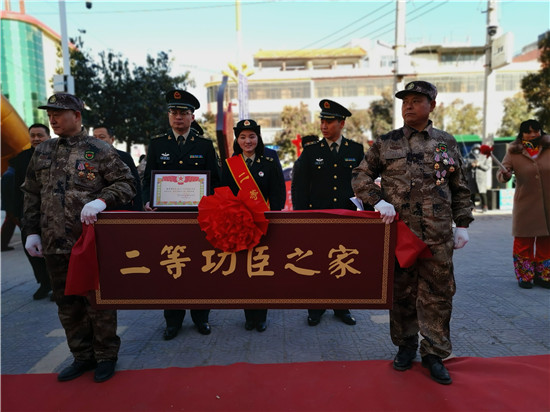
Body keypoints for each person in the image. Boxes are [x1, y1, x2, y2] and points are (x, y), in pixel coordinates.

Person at [351, 81, 473, 385]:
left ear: (432, 105)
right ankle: (405, 346)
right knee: (401, 293)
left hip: (437, 236)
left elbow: (459, 186)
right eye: (405, 101)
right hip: (400, 235)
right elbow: (360, 175)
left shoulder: (445, 142)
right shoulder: (386, 142)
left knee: (438, 295)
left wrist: (463, 224)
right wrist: (377, 200)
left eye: (417, 100)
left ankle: (434, 353)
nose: (408, 105)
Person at [21, 93, 136, 383]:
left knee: (97, 303)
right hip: (53, 241)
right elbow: (31, 193)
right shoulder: (43, 150)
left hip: (88, 243)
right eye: (50, 114)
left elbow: (126, 183)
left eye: (59, 114)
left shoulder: (98, 149)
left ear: (77, 115)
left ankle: (106, 356)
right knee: (67, 304)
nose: (53, 119)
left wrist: (102, 201)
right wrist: (31, 231)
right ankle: (82, 356)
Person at [142, 89, 220, 340]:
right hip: (168, 219)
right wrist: (146, 201)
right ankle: (172, 321)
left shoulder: (204, 145)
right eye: (174, 112)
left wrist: (214, 206)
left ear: (192, 117)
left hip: (199, 219)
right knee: (171, 267)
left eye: (183, 113)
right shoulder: (157, 144)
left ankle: (201, 317)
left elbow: (216, 181)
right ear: (169, 116)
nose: (178, 117)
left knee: (199, 267)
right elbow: (147, 179)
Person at [291, 99, 366, 327]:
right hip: (318, 219)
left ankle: (342, 307)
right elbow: (299, 187)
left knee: (343, 262)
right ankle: (315, 307)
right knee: (317, 263)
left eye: (329, 121)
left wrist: (367, 215)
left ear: (341, 123)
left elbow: (363, 183)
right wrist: (302, 218)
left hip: (346, 219)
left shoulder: (355, 149)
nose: (324, 126)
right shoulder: (311, 151)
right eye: (322, 121)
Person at [221, 119, 286, 332]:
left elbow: (278, 191)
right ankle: (249, 316)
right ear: (237, 140)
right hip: (239, 226)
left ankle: (262, 315)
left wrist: (273, 217)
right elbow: (224, 194)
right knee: (245, 271)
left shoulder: (270, 158)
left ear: (258, 137)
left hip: (264, 223)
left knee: (261, 269)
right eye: (242, 137)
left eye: (251, 136)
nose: (247, 141)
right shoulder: (231, 163)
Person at [496, 119, 550, 289]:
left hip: (548, 204)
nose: (533, 134)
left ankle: (544, 276)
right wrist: (505, 175)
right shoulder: (514, 152)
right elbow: (501, 173)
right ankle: (525, 276)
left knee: (546, 241)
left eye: (536, 131)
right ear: (522, 134)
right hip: (526, 204)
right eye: (528, 131)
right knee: (523, 241)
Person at [9, 123, 52, 299]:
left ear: (48, 137)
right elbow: (15, 188)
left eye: (40, 135)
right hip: (29, 213)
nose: (36, 139)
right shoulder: (21, 159)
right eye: (33, 135)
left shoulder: (58, 155)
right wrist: (16, 214)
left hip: (53, 213)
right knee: (32, 251)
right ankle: (44, 283)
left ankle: (59, 286)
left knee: (53, 251)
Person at [93, 125, 143, 211]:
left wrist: (138, 209)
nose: (97, 140)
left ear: (112, 139)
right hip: (93, 208)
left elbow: (135, 183)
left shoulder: (123, 157)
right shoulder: (87, 158)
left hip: (119, 208)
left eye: (102, 137)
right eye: (94, 137)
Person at [465, 143, 489, 212]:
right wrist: (471, 165)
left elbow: (487, 167)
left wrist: (479, 165)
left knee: (482, 193)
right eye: (475, 149)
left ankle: (484, 207)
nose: (476, 150)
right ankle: (473, 207)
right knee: (472, 194)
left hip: (481, 179)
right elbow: (465, 167)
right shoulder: (469, 156)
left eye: (478, 149)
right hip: (472, 178)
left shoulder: (484, 157)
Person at [1, 165, 17, 251]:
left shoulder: (9, 173)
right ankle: (2, 244)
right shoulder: (10, 174)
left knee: (10, 222)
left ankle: (2, 244)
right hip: (12, 203)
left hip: (10, 203)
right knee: (12, 220)